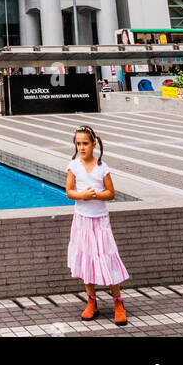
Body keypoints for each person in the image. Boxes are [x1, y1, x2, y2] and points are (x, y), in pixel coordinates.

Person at [65, 125, 128, 326]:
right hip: (82, 221)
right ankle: (91, 300)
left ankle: (118, 301)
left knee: (107, 257)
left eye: (85, 143)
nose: (82, 147)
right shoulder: (73, 165)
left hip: (100, 221)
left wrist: (97, 195)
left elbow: (111, 193)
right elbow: (69, 191)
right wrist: (82, 196)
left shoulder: (102, 167)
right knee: (87, 259)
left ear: (94, 144)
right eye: (78, 143)